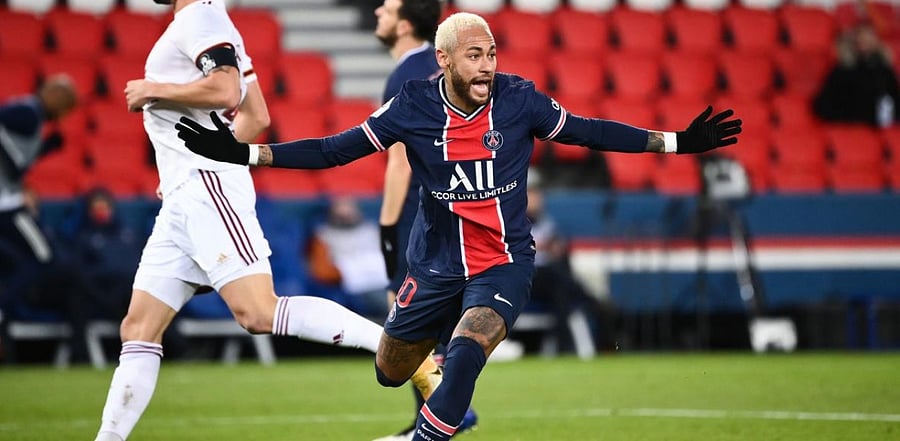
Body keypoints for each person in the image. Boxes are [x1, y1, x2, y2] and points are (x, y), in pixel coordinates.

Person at [176, 12, 743, 440]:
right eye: (474, 55)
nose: (488, 66)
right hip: (437, 264)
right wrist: (243, 154)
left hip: (504, 260)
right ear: (444, 60)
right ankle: (425, 372)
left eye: (492, 54)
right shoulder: (411, 106)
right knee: (391, 371)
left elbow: (590, 132)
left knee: (471, 344)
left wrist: (677, 142)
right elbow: (333, 150)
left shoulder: (521, 101)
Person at [92, 1, 442, 440]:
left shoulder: (201, 17)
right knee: (138, 327)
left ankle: (404, 350)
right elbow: (255, 115)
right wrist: (191, 162)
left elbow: (224, 91)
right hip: (185, 194)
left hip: (208, 190)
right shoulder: (214, 24)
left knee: (258, 312)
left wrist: (153, 89)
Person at [372, 1, 477, 439]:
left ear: (405, 24)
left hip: (421, 211)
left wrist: (386, 226)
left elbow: (399, 162)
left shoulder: (405, 76)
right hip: (456, 203)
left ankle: (444, 414)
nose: (379, 10)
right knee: (433, 317)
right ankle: (437, 416)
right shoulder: (437, 68)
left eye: (388, 7)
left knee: (410, 312)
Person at [0, 75, 79, 362]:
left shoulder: (29, 114)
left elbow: (17, 157)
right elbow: (15, 164)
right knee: (44, 257)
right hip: (6, 206)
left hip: (8, 200)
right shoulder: (28, 113)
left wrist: (46, 148)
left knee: (21, 261)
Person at [308, 196, 391, 319]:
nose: (346, 213)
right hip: (351, 288)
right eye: (340, 209)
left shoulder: (372, 230)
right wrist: (343, 271)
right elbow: (321, 271)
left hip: (383, 282)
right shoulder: (323, 235)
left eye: (349, 208)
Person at [813, 22, 900, 127]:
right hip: (850, 128)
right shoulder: (843, 69)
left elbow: (894, 99)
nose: (865, 40)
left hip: (879, 128)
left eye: (870, 36)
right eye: (862, 36)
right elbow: (824, 105)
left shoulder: (884, 70)